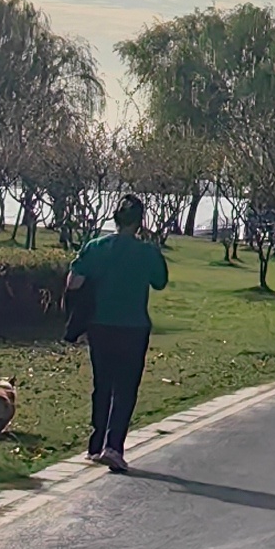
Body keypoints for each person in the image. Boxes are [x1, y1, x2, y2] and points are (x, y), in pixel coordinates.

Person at [68, 193, 172, 470]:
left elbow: (74, 281)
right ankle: (114, 446)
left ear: (115, 218)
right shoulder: (148, 252)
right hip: (133, 326)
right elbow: (160, 282)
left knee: (102, 384)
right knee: (125, 388)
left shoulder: (95, 247)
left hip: (100, 324)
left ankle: (95, 444)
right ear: (139, 223)